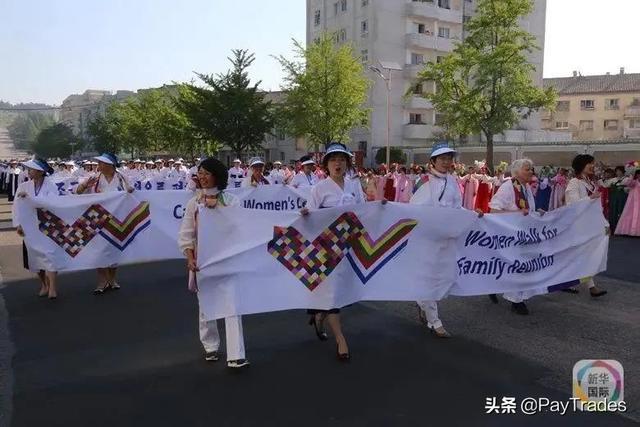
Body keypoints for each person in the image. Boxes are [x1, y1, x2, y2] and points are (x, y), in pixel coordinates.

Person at [177, 157, 249, 369]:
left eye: (207, 173)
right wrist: (190, 258)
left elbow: (239, 227)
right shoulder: (194, 203)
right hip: (203, 260)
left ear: (217, 175)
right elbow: (186, 233)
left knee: (232, 303)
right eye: (200, 173)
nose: (202, 177)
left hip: (227, 258)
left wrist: (217, 206)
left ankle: (236, 353)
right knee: (206, 304)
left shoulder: (231, 200)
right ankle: (210, 346)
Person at [301, 143, 367, 362]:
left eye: (342, 159)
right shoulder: (319, 188)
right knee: (331, 293)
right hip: (326, 247)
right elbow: (309, 214)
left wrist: (382, 206)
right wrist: (306, 213)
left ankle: (319, 315)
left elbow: (364, 211)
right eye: (333, 160)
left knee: (339, 291)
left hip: (349, 247)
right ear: (326, 165)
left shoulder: (354, 186)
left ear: (347, 163)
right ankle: (341, 340)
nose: (338, 163)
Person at [410, 143, 483, 337]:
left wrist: (472, 215)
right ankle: (434, 321)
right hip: (429, 240)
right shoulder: (423, 181)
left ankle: (421, 303)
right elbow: (413, 210)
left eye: (449, 158)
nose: (446, 162)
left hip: (448, 238)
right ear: (432, 161)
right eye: (441, 158)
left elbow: (457, 208)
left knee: (445, 277)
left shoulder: (452, 181)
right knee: (430, 278)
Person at [488, 158, 546, 315]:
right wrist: (516, 213)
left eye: (531, 169)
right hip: (510, 235)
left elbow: (527, 211)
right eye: (527, 169)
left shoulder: (525, 188)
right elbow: (493, 210)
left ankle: (493, 285)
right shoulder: (507, 188)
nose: (531, 172)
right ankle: (516, 300)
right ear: (517, 172)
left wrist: (536, 213)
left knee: (519, 266)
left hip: (524, 235)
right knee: (517, 266)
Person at [75, 153, 134, 295]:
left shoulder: (122, 178)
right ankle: (102, 280)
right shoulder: (94, 178)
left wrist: (130, 190)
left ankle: (112, 278)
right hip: (97, 219)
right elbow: (77, 193)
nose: (98, 165)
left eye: (101, 163)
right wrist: (83, 186)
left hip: (116, 219)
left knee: (114, 250)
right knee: (99, 251)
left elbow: (132, 193)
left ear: (109, 165)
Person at [13, 158, 60, 299]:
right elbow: (16, 206)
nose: (29, 171)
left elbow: (53, 203)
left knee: (50, 256)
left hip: (47, 226)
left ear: (40, 172)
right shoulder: (23, 186)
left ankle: (52, 287)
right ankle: (44, 284)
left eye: (31, 169)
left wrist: (31, 200)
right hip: (29, 226)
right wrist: (18, 224)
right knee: (34, 257)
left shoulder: (50, 186)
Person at [563, 154, 608, 297]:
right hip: (577, 226)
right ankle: (591, 287)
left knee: (580, 256)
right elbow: (572, 204)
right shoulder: (574, 183)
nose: (593, 166)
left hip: (589, 226)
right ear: (582, 165)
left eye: (593, 163)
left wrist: (604, 223)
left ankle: (569, 283)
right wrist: (590, 198)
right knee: (583, 256)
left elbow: (596, 208)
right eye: (590, 163)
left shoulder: (590, 183)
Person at [614, 168, 640, 237]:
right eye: (638, 175)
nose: (639, 176)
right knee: (630, 215)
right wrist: (631, 176)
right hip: (632, 202)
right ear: (637, 175)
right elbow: (628, 183)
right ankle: (629, 231)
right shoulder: (634, 181)